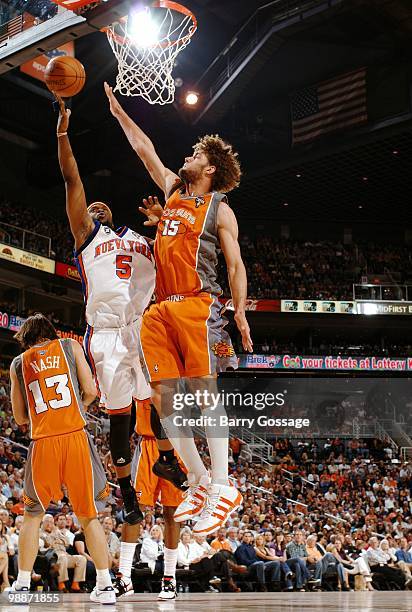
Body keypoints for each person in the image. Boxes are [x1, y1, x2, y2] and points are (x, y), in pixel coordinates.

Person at [105, 83, 253, 535]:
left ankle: (225, 485)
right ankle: (201, 481)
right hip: (160, 310)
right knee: (163, 403)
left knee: (203, 394)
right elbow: (145, 151)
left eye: (193, 154)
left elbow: (235, 263)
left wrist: (241, 311)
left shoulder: (218, 209)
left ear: (208, 167)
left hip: (196, 304)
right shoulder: (172, 191)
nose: (185, 157)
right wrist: (119, 114)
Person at [55, 95, 181, 529]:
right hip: (105, 333)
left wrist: (164, 219)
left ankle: (166, 459)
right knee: (121, 416)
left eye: (101, 206)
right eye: (90, 209)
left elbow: (173, 257)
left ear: (113, 213)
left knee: (161, 395)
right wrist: (62, 134)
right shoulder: (87, 239)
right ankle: (127, 492)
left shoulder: (140, 240)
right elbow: (72, 180)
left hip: (142, 326)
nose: (95, 206)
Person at [9, 313, 115, 603]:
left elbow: (19, 416)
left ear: (27, 340)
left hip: (43, 443)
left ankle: (20, 586)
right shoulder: (70, 346)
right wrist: (76, 408)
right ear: (50, 333)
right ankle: (105, 585)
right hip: (75, 438)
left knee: (32, 517)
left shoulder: (18, 363)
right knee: (88, 515)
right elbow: (92, 391)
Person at [114, 400, 183, 600]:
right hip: (147, 444)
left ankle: (170, 579)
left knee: (173, 513)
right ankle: (124, 577)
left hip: (176, 443)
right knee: (134, 511)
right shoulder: (136, 371)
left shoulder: (180, 377)